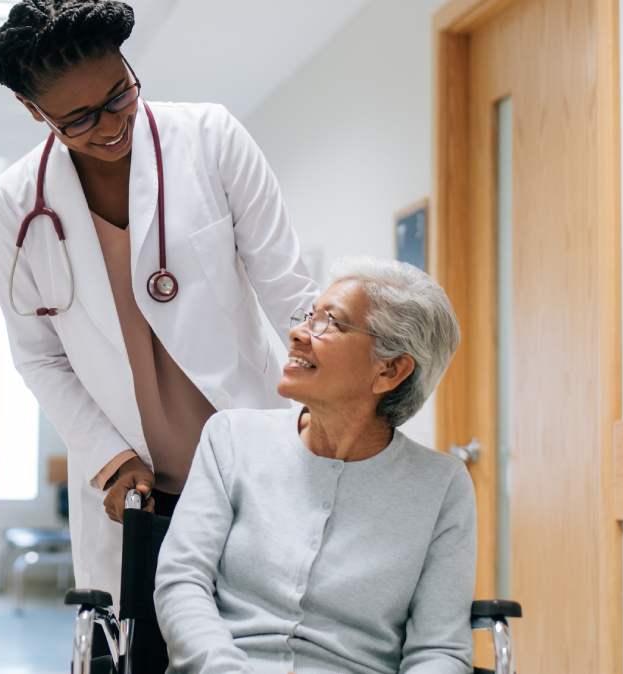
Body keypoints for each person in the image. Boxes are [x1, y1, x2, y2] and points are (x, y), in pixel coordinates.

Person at [0, 0, 318, 602]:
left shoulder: (209, 139)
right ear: (32, 110)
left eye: (119, 95)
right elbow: (38, 356)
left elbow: (289, 291)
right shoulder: (20, 199)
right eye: (79, 119)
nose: (111, 126)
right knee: (138, 646)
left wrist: (335, 405)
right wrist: (109, 458)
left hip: (251, 458)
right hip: (132, 488)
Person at [155, 257, 475, 674]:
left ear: (390, 370)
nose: (297, 332)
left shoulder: (441, 486)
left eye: (333, 323)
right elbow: (183, 581)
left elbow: (440, 651)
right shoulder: (232, 438)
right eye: (309, 316)